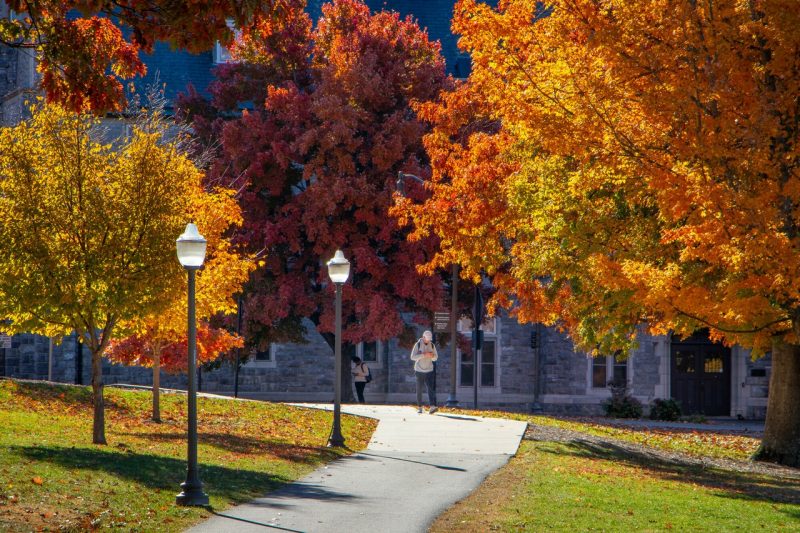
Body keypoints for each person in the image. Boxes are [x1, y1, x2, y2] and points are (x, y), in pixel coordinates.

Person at [410, 330, 438, 414]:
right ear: (423, 337)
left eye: (429, 339)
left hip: (429, 370)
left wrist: (432, 356)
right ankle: (419, 407)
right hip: (419, 370)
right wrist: (423, 355)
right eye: (427, 339)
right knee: (419, 389)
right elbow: (412, 357)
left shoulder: (432, 345)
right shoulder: (417, 345)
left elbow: (436, 357)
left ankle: (432, 407)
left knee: (431, 389)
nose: (428, 341)